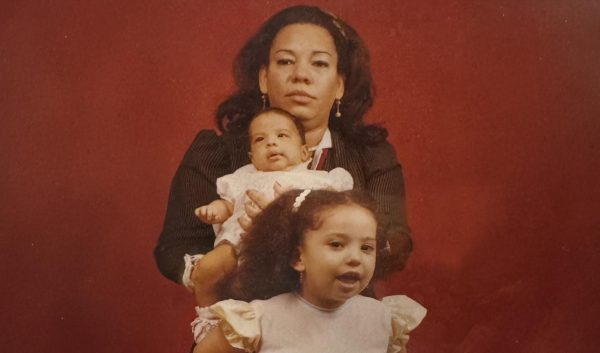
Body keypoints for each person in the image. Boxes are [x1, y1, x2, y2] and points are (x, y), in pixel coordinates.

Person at [155, 5, 413, 295]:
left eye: (319, 64)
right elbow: (174, 249)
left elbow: (395, 244)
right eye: (286, 61)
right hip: (248, 322)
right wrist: (239, 250)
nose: (301, 75)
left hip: (342, 322)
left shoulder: (370, 155)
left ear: (340, 85)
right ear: (264, 79)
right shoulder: (216, 153)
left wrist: (298, 234)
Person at [191, 189, 426, 353]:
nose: (355, 258)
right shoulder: (259, 319)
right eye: (336, 244)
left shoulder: (383, 320)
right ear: (297, 257)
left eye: (366, 247)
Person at [193, 107, 353, 306]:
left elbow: (332, 215)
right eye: (260, 139)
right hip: (238, 240)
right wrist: (215, 210)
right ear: (252, 157)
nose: (271, 142)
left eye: (282, 135)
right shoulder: (244, 177)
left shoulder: (316, 180)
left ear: (304, 152)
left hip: (289, 248)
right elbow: (228, 204)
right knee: (207, 270)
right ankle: (210, 319)